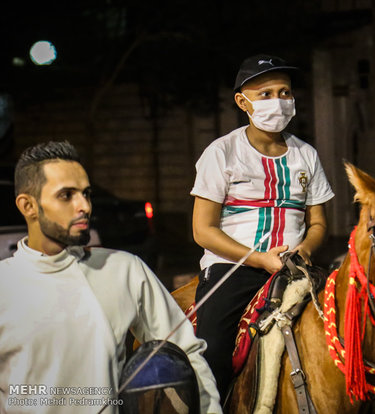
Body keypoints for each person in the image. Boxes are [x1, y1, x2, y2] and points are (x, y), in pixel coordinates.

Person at [0, 141, 222, 414]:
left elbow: (186, 354)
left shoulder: (125, 270)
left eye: (86, 193)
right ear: (28, 206)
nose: (84, 206)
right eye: (66, 195)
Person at [191, 54, 334, 398]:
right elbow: (203, 230)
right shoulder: (222, 152)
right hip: (233, 269)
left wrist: (306, 249)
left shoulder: (307, 155)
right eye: (266, 94)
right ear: (243, 102)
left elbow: (317, 222)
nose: (279, 102)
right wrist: (259, 259)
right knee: (212, 354)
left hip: (296, 269)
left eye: (285, 92)